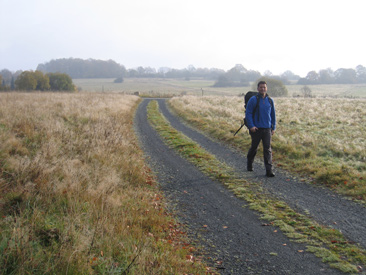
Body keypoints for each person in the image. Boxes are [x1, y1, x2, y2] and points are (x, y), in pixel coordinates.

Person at [245, 81, 276, 177]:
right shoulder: (253, 100)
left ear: (266, 88)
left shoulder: (270, 101)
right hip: (256, 129)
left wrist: (273, 127)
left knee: (267, 149)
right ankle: (249, 163)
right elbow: (248, 113)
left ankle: (269, 170)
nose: (263, 89)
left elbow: (273, 115)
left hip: (267, 129)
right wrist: (251, 126)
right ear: (258, 88)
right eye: (261, 87)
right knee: (254, 147)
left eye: (264, 87)